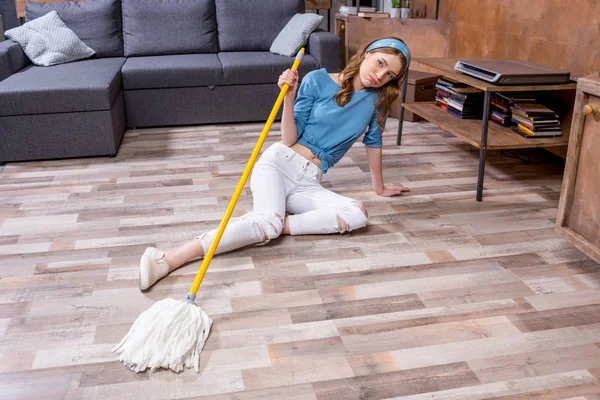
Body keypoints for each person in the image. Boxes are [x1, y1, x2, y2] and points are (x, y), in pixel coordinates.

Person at [138, 37, 412, 290]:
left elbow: (373, 142)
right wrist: (289, 98)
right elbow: (289, 138)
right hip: (279, 163)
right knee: (266, 224)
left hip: (309, 181)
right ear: (366, 53)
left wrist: (380, 188)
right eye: (380, 63)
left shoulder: (378, 102)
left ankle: (272, 220)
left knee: (357, 214)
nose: (380, 75)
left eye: (390, 74)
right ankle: (170, 258)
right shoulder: (317, 79)